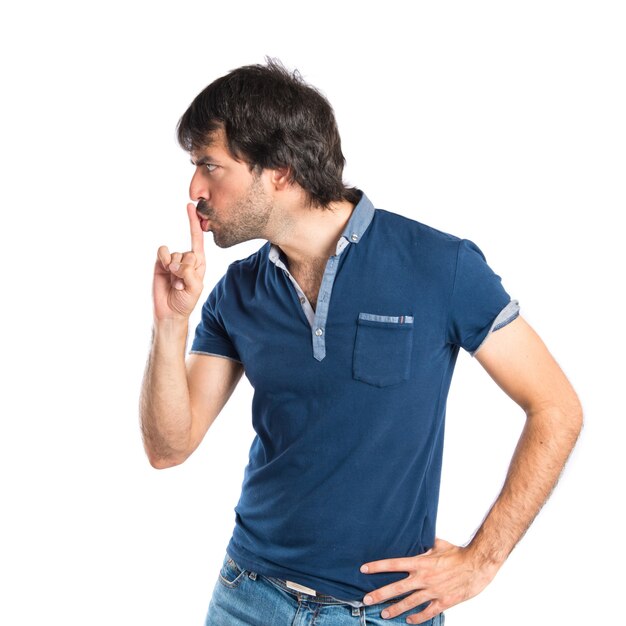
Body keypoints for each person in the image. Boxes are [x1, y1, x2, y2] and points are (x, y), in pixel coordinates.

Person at [139, 59, 583, 626]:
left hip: (381, 612)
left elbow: (557, 408)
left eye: (209, 165)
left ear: (279, 170)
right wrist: (171, 323)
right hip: (245, 596)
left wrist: (480, 561)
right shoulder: (238, 292)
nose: (195, 188)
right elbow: (168, 447)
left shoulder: (440, 266)